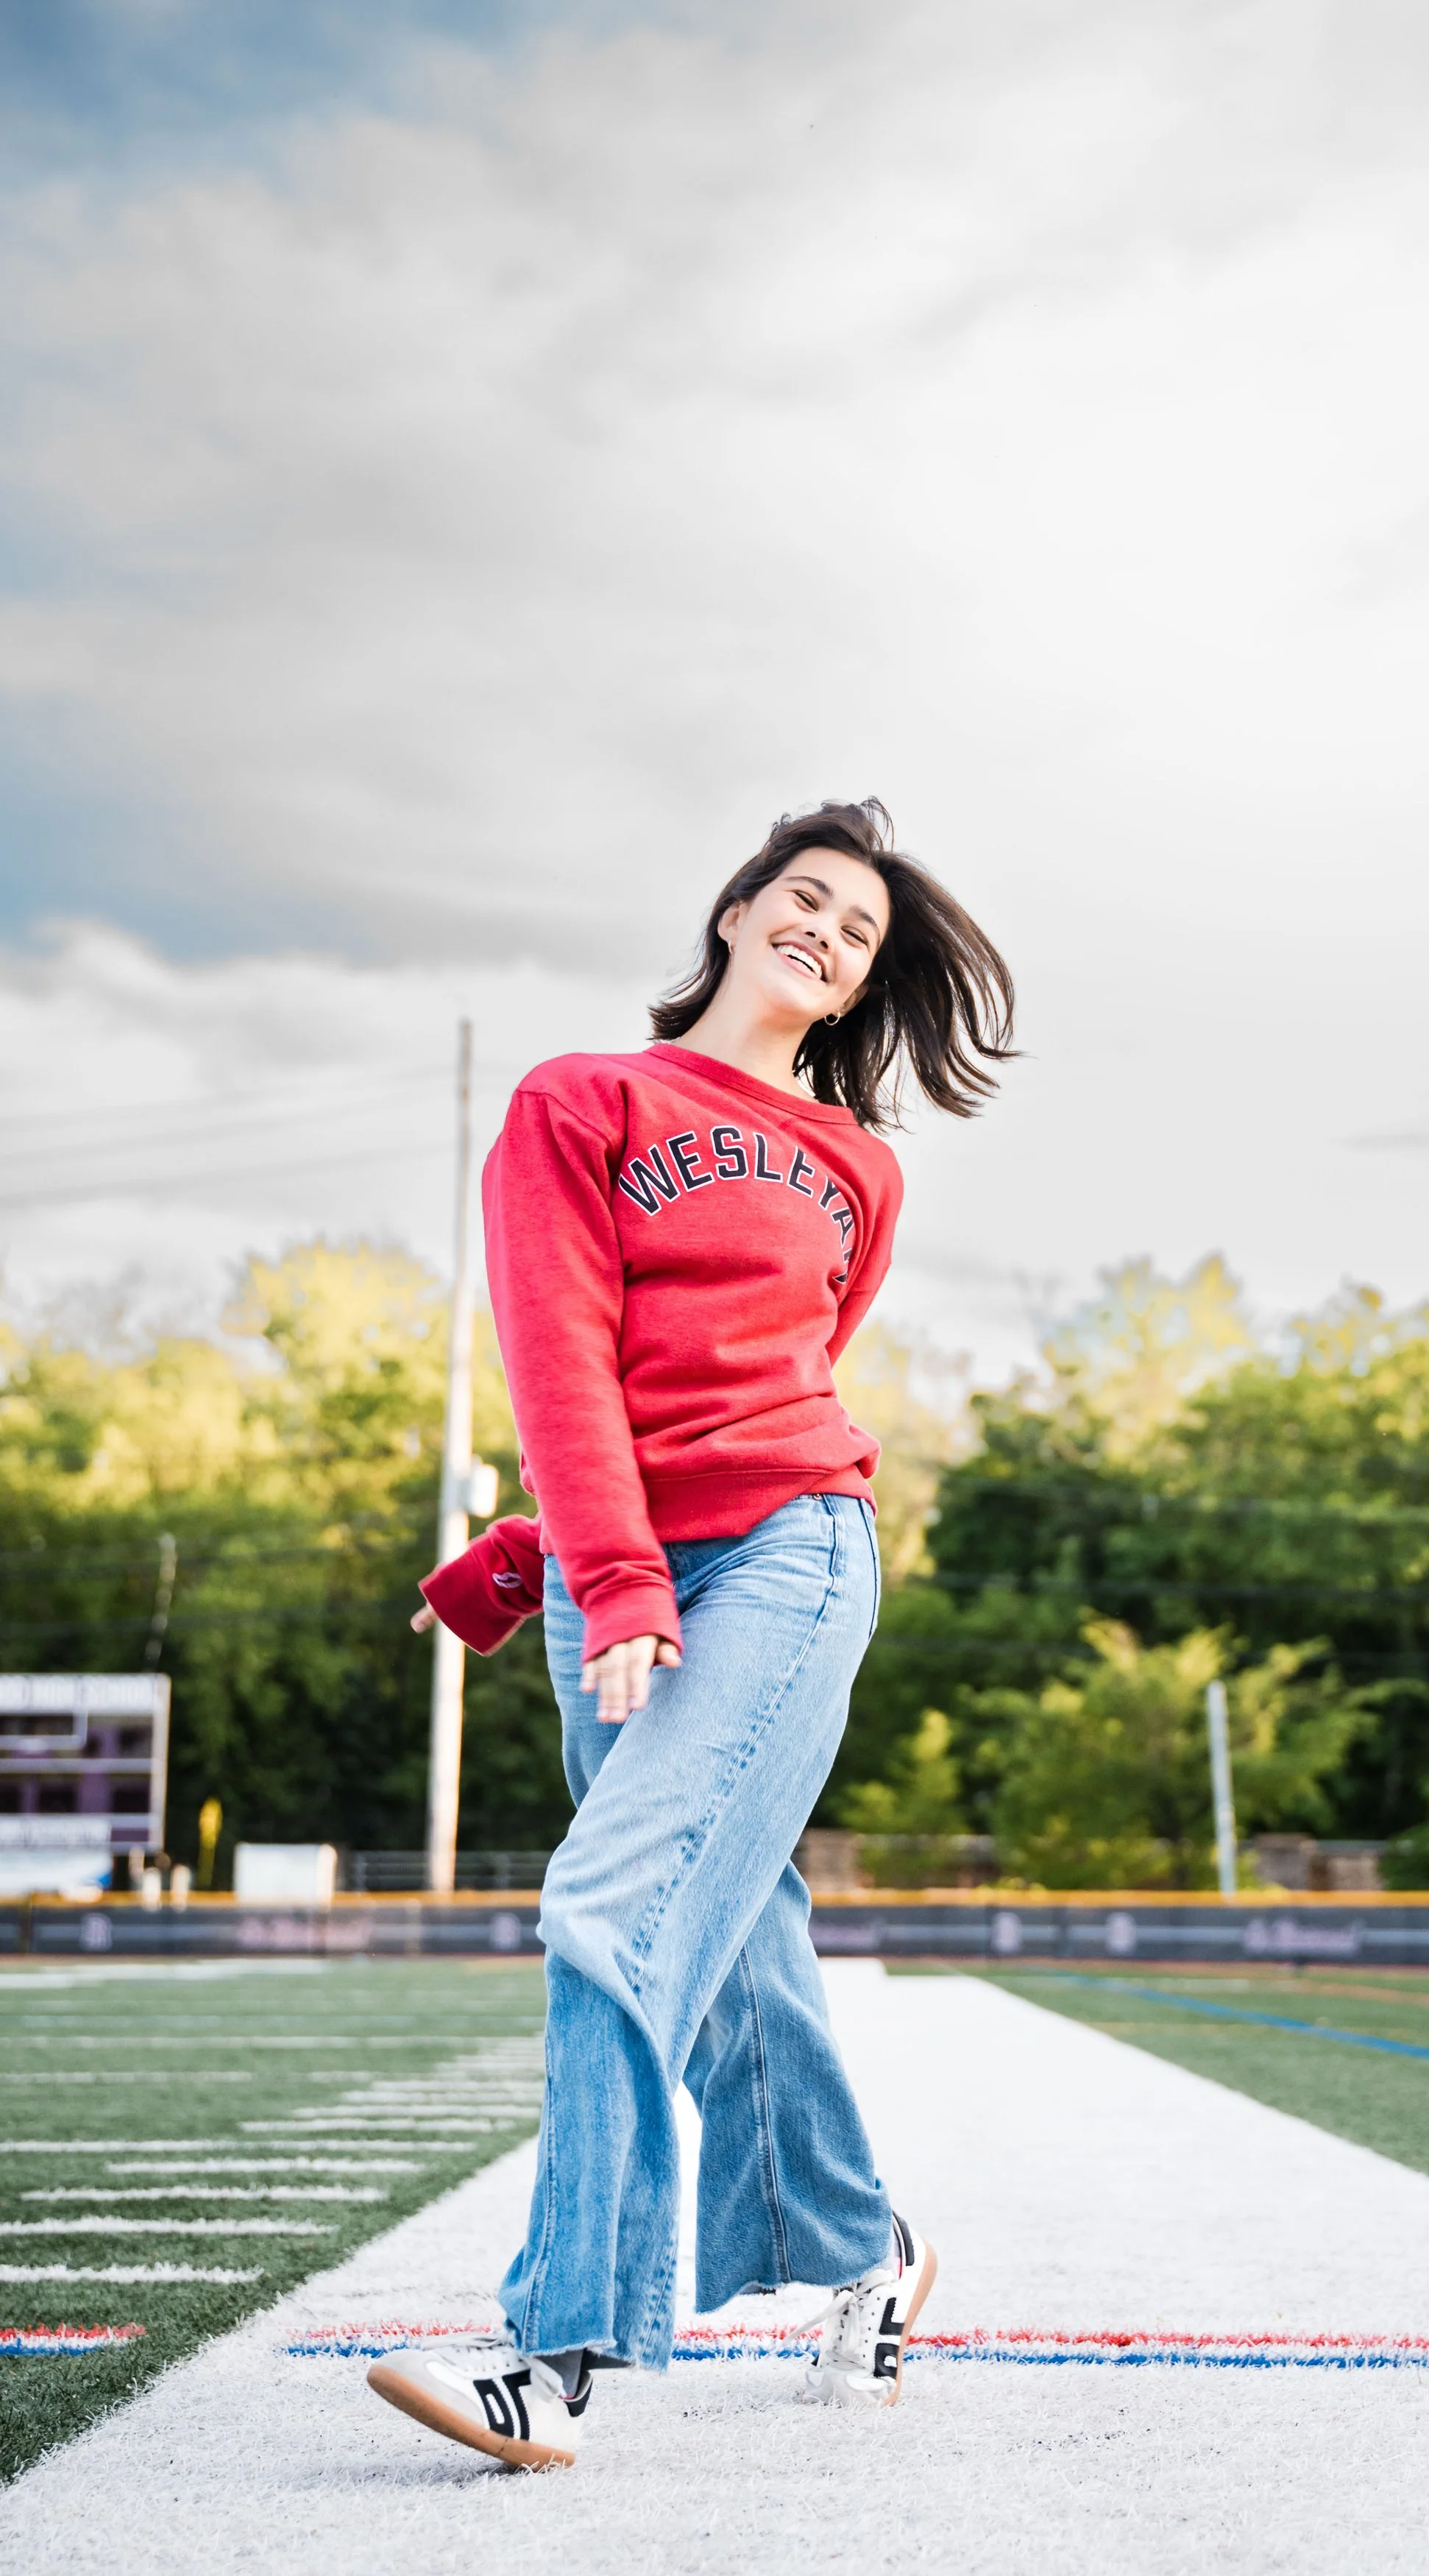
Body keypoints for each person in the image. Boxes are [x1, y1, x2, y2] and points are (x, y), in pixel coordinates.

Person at [368, 800, 1015, 2469]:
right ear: (735, 912)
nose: (823, 930)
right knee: (727, 1935)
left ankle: (554, 2347)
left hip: (792, 1552)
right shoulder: (581, 1100)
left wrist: (632, 1562)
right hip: (622, 1577)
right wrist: (574, 1556)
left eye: (856, 930)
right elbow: (569, 1361)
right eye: (802, 897)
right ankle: (867, 2253)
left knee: (606, 1905)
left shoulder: (857, 1168)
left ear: (860, 982)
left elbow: (766, 1397)